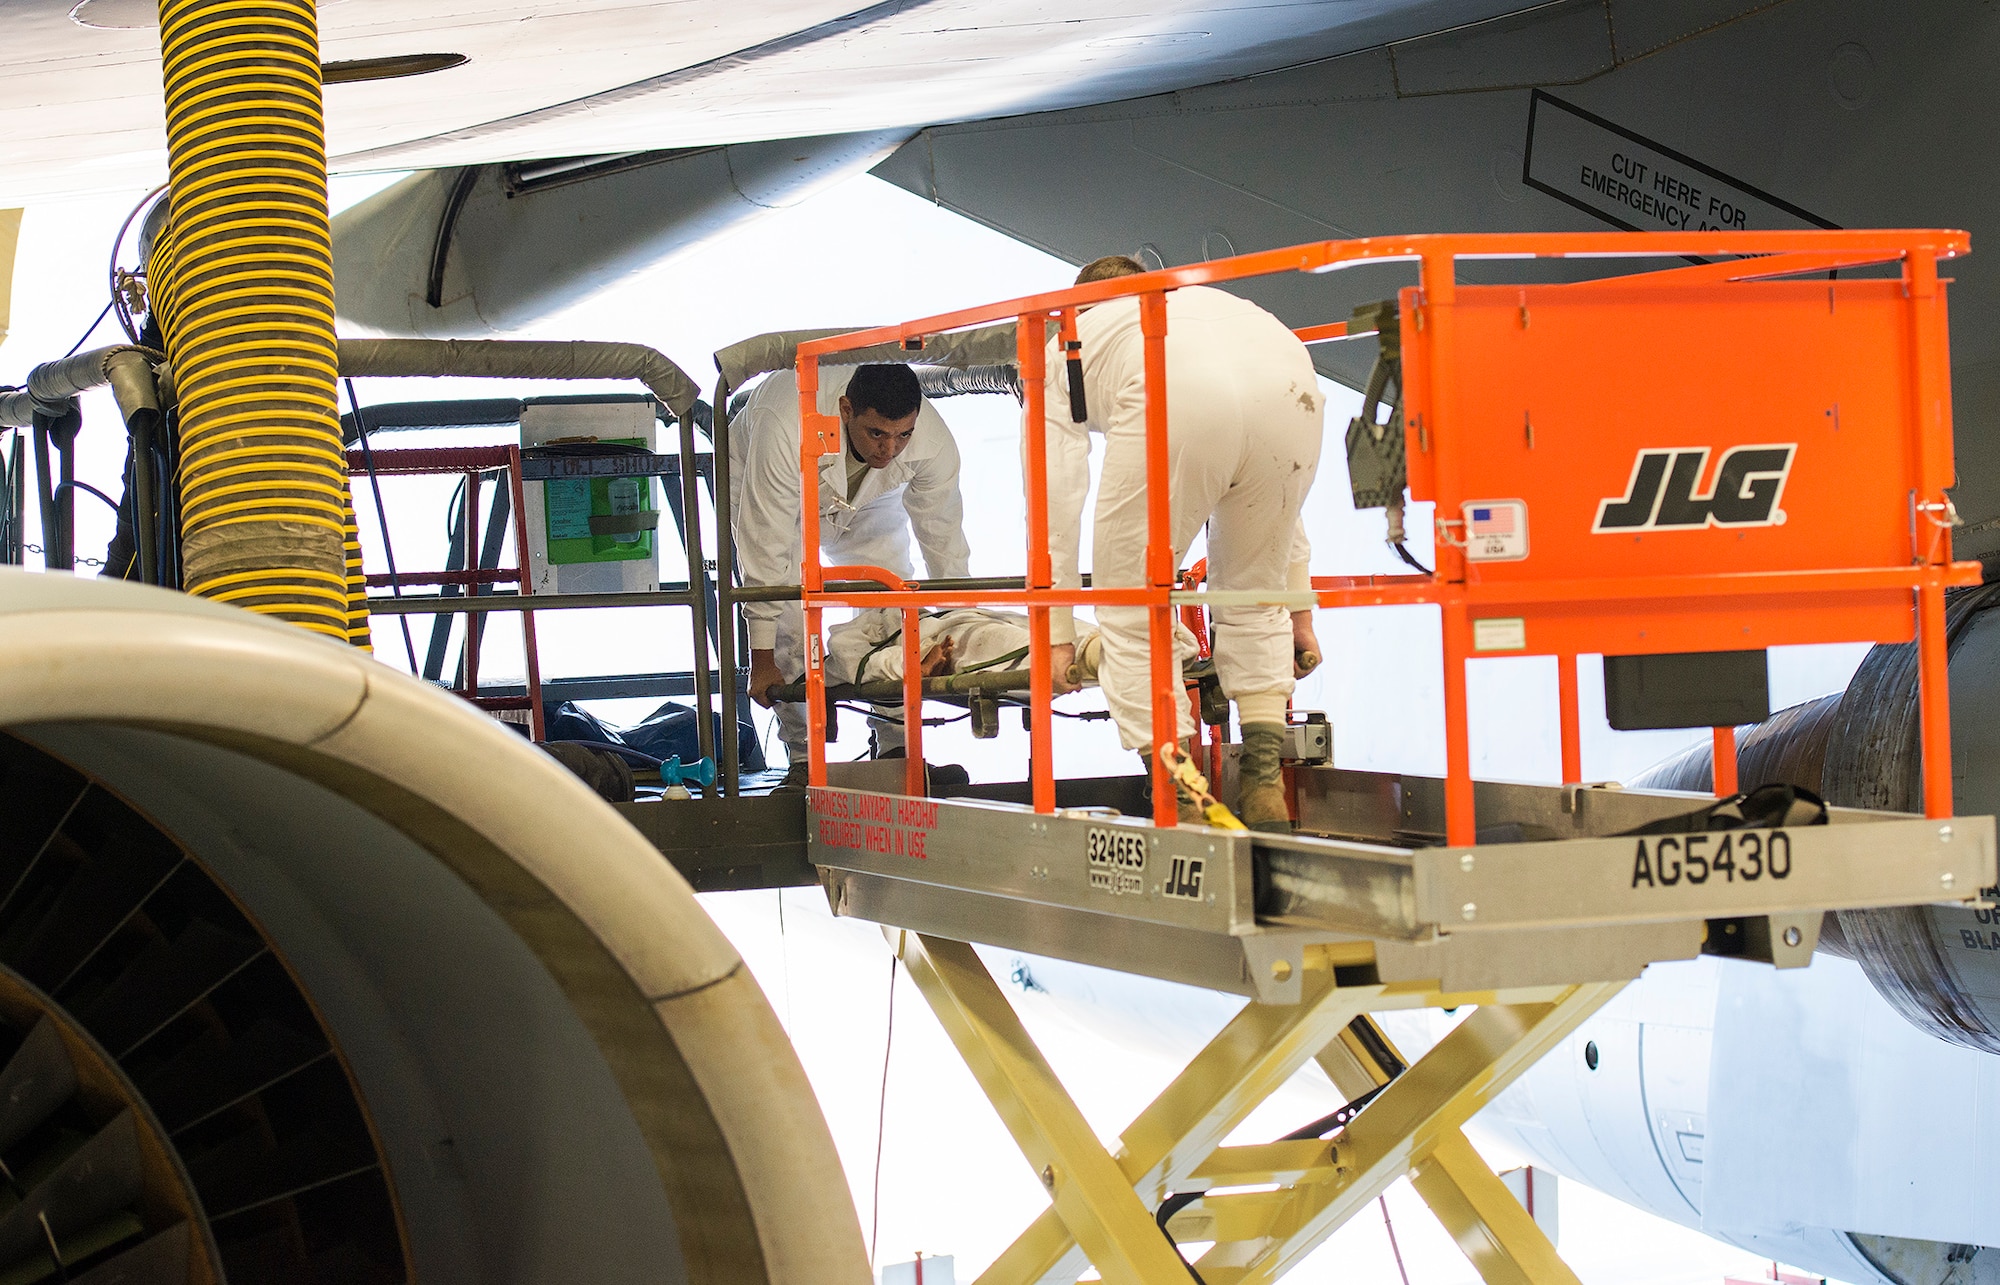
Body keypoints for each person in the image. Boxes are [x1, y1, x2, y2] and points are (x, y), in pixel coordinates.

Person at [1040, 255, 1325, 831]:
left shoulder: (1067, 339)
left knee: (1130, 610)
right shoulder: (1220, 310)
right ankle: (1265, 789)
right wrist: (1297, 607)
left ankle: (1188, 805)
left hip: (1175, 390)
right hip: (1296, 386)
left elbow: (1055, 494)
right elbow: (1282, 515)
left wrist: (1057, 635)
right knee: (1251, 595)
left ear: (1079, 307)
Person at [731, 362, 970, 788]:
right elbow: (765, 543)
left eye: (902, 435)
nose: (889, 449)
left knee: (895, 594)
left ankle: (897, 745)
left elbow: (945, 540)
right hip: (767, 480)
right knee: (788, 602)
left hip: (868, 497)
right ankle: (805, 758)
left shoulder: (932, 442)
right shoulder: (786, 422)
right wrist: (761, 659)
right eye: (876, 433)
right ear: (845, 409)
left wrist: (963, 629)